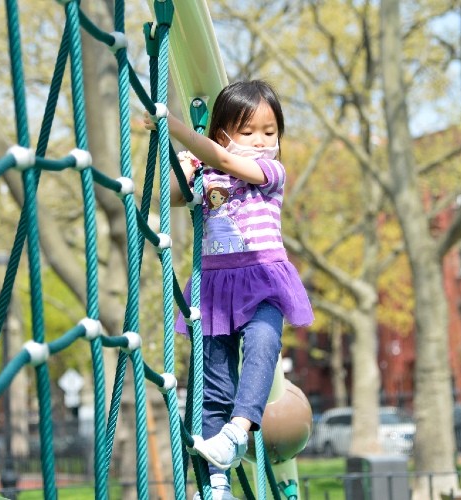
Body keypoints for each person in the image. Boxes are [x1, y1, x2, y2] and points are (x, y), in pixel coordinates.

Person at [144, 80, 314, 500]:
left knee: (262, 345)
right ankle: (215, 477)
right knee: (212, 381)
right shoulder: (208, 177)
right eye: (248, 131)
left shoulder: (270, 173)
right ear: (223, 132)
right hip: (215, 289)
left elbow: (223, 157)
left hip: (262, 281)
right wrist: (184, 168)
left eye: (270, 132)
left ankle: (239, 431)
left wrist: (175, 127)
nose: (261, 142)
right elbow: (164, 201)